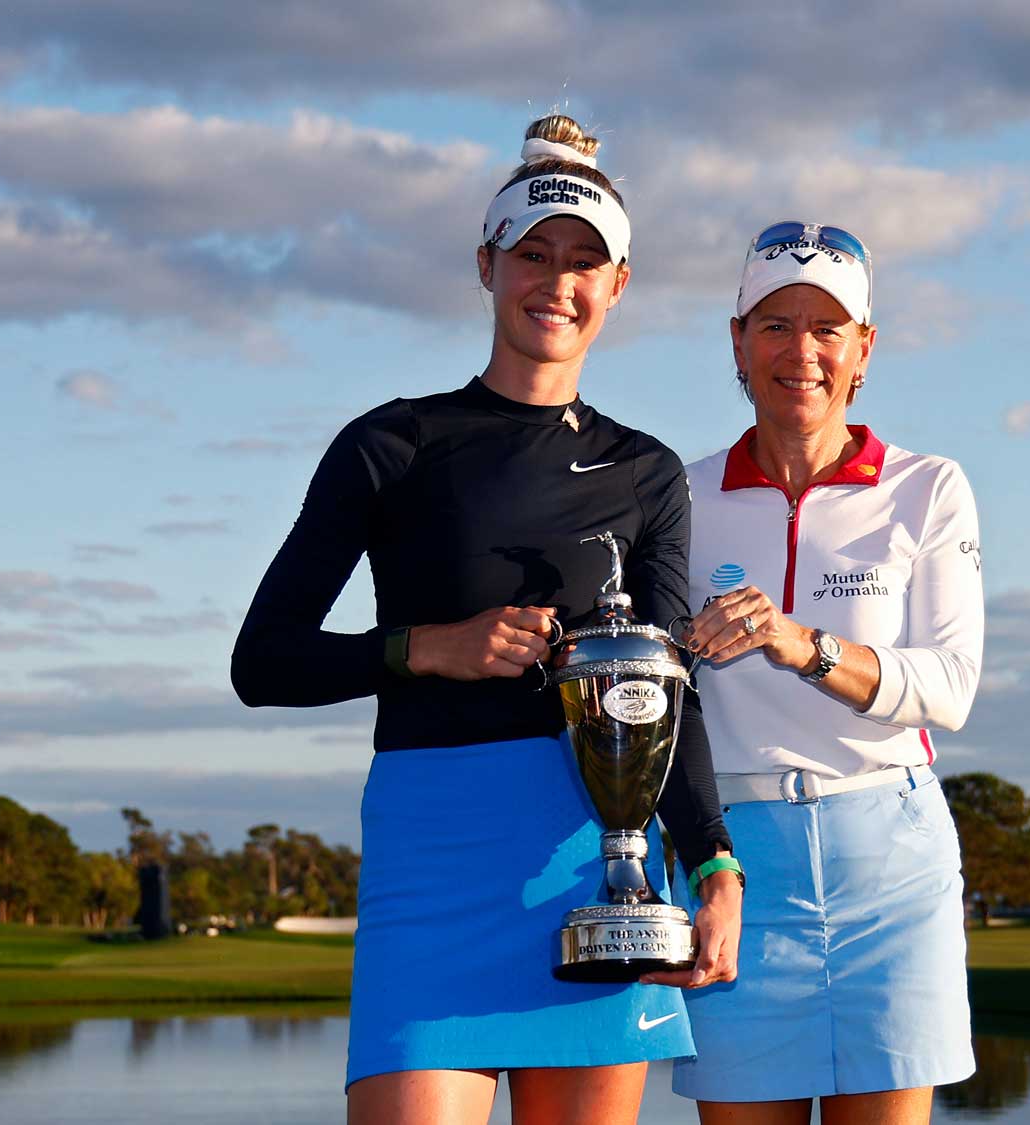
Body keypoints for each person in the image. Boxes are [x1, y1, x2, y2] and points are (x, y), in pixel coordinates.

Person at [232, 114, 743, 1125]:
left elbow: (665, 696)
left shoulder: (643, 473)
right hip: (433, 858)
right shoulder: (392, 443)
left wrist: (715, 861)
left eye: (583, 264)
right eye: (532, 256)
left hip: (596, 864)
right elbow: (264, 660)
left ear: (617, 287)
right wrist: (424, 649)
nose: (557, 283)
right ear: (486, 265)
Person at [648, 220, 984, 1124]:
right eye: (775, 323)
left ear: (864, 349)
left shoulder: (927, 486)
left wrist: (805, 645)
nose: (803, 351)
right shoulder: (676, 495)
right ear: (737, 342)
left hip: (891, 860)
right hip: (736, 860)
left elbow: (949, 686)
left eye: (829, 328)